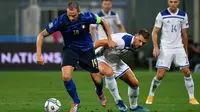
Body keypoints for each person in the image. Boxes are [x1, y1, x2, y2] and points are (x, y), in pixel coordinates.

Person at [36, 1, 116, 112]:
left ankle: (99, 92)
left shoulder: (87, 17)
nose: (71, 18)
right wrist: (39, 54)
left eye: (74, 15)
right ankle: (76, 102)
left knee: (97, 80)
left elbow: (103, 21)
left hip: (87, 50)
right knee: (66, 77)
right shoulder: (60, 21)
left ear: (79, 12)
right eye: (69, 15)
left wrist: (110, 39)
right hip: (70, 49)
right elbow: (41, 35)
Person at [145, 0, 199, 105]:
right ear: (167, 2)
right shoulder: (161, 15)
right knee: (160, 75)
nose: (173, 3)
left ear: (178, 2)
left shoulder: (183, 15)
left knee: (187, 71)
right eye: (170, 1)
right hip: (166, 48)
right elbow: (154, 32)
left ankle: (192, 98)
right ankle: (150, 96)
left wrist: (186, 49)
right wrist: (156, 47)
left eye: (175, 1)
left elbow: (184, 34)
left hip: (179, 47)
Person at [94, 29, 150, 112]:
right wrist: (87, 54)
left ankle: (134, 107)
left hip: (115, 60)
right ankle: (118, 102)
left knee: (134, 84)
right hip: (100, 58)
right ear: (135, 36)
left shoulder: (133, 43)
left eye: (143, 43)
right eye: (139, 41)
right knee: (109, 72)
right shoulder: (121, 41)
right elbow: (99, 42)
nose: (141, 44)